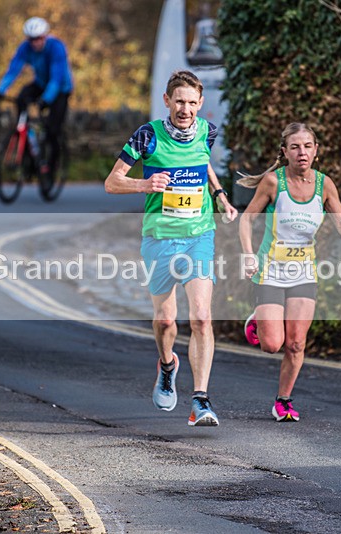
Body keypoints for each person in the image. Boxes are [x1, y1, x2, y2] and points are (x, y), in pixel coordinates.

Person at [104, 70, 238, 427]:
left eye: (192, 103)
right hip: (160, 237)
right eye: (179, 101)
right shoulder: (148, 135)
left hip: (199, 235)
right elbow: (112, 182)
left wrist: (220, 194)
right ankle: (167, 365)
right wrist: (145, 184)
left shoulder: (207, 132)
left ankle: (201, 400)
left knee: (201, 317)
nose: (185, 109)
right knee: (165, 321)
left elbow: (202, 161)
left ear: (200, 104)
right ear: (167, 101)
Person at [238, 122, 341, 422]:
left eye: (307, 146)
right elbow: (246, 219)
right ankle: (259, 319)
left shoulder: (324, 184)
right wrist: (249, 254)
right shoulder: (272, 183)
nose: (301, 152)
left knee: (296, 343)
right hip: (271, 270)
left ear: (316, 151)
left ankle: (283, 401)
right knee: (272, 345)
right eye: (294, 147)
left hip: (304, 271)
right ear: (285, 152)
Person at [0, 17, 72, 178]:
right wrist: (0, 91)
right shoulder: (25, 48)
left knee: (53, 130)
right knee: (22, 97)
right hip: (40, 83)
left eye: (39, 39)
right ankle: (26, 149)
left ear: (45, 36)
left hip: (61, 88)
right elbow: (13, 70)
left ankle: (51, 168)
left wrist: (46, 100)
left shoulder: (56, 48)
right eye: (32, 39)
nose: (35, 43)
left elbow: (56, 79)